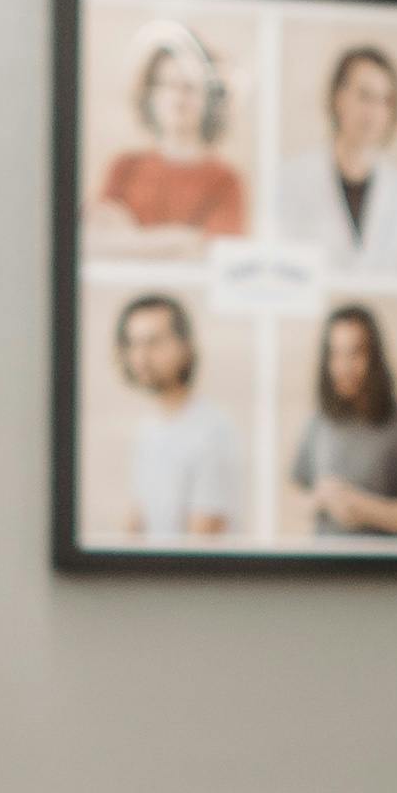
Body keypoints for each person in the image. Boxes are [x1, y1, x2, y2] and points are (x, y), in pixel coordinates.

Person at [90, 29, 245, 248]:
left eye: (189, 87)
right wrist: (181, 239)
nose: (178, 98)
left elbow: (216, 248)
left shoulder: (225, 180)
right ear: (151, 95)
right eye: (168, 85)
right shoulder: (124, 168)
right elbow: (97, 238)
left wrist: (132, 239)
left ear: (208, 98)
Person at [291, 303, 397, 540]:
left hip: (382, 571)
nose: (344, 367)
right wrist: (320, 498)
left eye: (354, 353)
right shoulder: (319, 420)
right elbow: (294, 493)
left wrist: (363, 508)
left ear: (374, 356)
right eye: (336, 354)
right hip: (323, 568)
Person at [111, 291, 236, 541]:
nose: (141, 356)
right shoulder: (148, 429)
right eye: (133, 343)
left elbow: (204, 537)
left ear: (185, 347)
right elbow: (137, 521)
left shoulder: (212, 431)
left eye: (153, 342)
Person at [306, 43, 397, 275]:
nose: (373, 112)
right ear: (338, 98)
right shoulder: (292, 179)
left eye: (384, 101)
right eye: (365, 96)